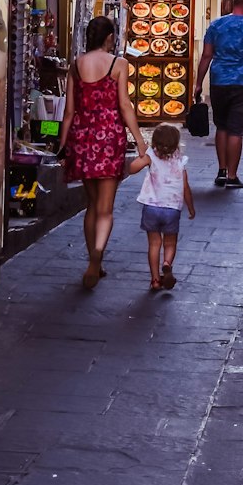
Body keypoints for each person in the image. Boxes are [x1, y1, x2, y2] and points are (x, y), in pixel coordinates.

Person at [60, 15, 147, 289]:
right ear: (110, 37)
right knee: (106, 209)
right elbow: (124, 105)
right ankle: (97, 257)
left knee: (91, 205)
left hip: (82, 139)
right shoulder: (118, 64)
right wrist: (140, 140)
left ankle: (92, 258)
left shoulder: (76, 65)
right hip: (109, 138)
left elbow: (69, 111)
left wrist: (62, 144)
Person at [194, 0, 243, 190]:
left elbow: (206, 56)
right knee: (236, 129)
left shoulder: (216, 25)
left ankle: (221, 170)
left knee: (221, 126)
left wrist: (198, 82)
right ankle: (232, 175)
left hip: (219, 79)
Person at [129, 122, 195, 290]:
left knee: (154, 244)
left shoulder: (151, 155)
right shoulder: (181, 160)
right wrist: (191, 207)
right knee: (170, 243)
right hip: (172, 209)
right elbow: (186, 187)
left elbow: (132, 169)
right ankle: (166, 263)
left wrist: (143, 155)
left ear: (154, 142)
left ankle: (155, 280)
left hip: (151, 207)